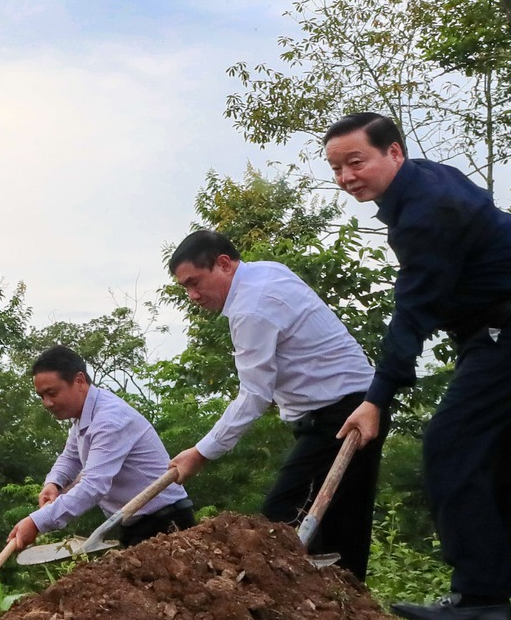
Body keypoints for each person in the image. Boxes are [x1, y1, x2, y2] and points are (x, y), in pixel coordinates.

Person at [324, 113, 511, 620]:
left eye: (355, 162)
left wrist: (377, 398)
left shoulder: (426, 210)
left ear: (394, 153)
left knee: (450, 449)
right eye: (337, 168)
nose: (346, 177)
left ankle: (480, 596)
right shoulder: (423, 185)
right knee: (493, 474)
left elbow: (413, 311)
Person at [163, 231, 383, 579]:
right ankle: (347, 614)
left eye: (195, 282)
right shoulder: (267, 271)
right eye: (185, 288)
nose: (192, 295)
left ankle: (329, 610)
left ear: (223, 264)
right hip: (352, 402)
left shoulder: (252, 307)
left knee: (279, 520)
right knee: (341, 522)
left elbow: (254, 395)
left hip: (342, 414)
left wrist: (200, 453)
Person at [7, 346, 191, 554]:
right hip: (134, 524)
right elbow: (71, 456)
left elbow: (93, 486)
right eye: (41, 396)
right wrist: (53, 482)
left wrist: (37, 522)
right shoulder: (83, 416)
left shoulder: (109, 420)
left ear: (79, 381)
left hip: (165, 523)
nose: (47, 403)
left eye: (52, 393)